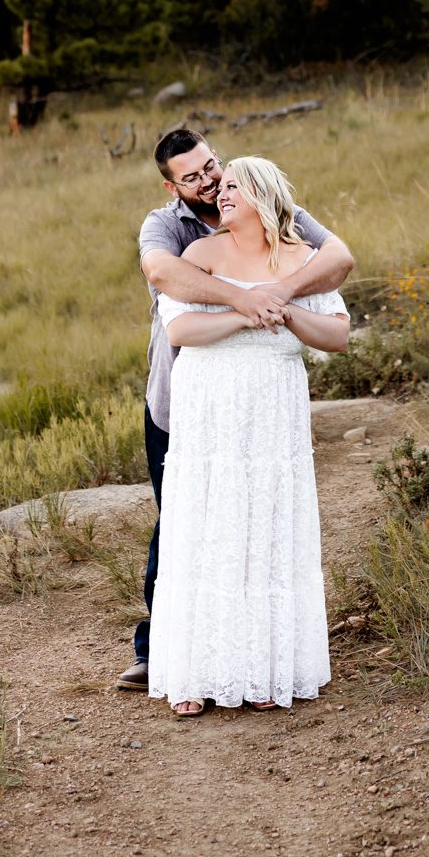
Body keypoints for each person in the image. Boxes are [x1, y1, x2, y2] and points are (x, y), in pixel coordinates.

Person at [117, 127, 352, 693]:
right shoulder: (169, 227)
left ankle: (259, 653)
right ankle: (165, 652)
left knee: (260, 517)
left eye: (211, 166)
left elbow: (339, 258)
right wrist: (244, 300)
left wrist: (281, 293)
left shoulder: (270, 202)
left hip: (266, 396)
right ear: (173, 186)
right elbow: (161, 274)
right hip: (182, 398)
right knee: (184, 518)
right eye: (192, 177)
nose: (209, 181)